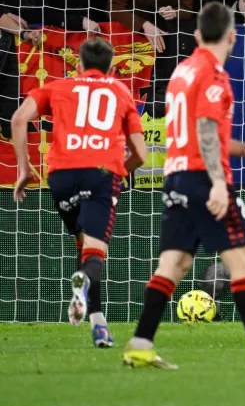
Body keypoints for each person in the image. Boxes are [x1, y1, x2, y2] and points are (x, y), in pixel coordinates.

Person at [122, 2, 245, 369]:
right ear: (233, 35)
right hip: (204, 178)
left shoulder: (181, 71)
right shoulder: (214, 76)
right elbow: (205, 130)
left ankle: (140, 344)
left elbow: (194, 134)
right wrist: (219, 184)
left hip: (175, 177)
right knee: (243, 259)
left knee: (174, 263)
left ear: (197, 35)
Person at [10, 38, 147, 348]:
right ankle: (83, 285)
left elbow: (18, 119)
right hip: (99, 172)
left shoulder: (57, 88)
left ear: (80, 65)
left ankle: (99, 326)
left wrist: (24, 168)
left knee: (84, 246)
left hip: (60, 176)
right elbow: (140, 152)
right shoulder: (120, 92)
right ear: (111, 68)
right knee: (96, 252)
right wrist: (118, 170)